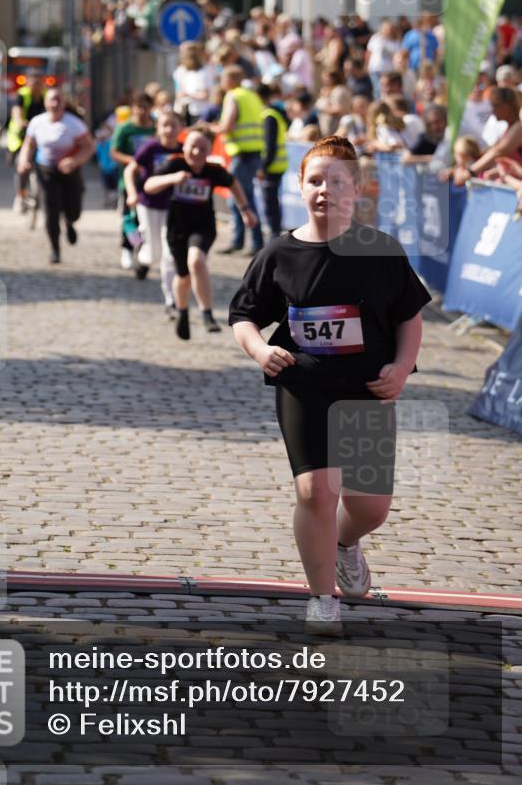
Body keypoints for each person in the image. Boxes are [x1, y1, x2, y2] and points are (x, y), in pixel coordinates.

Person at [228, 137, 431, 633]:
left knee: (370, 508)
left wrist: (402, 368)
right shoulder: (280, 252)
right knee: (316, 490)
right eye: (315, 181)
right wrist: (260, 349)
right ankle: (322, 598)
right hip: (304, 384)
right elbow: (244, 316)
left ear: (356, 189)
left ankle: (345, 544)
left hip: (367, 388)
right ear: (300, 186)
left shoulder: (380, 251)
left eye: (336, 181)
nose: (325, 190)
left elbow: (409, 317)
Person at [145, 125, 257, 340]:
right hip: (177, 228)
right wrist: (173, 179)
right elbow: (149, 185)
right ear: (184, 146)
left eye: (203, 149)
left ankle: (207, 314)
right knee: (183, 276)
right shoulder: (174, 164)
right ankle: (183, 312)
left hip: (203, 226)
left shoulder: (213, 170)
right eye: (193, 147)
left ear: (210, 151)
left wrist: (245, 210)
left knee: (196, 261)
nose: (197, 153)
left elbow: (234, 184)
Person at [17, 88, 95, 264]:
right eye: (51, 100)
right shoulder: (37, 122)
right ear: (45, 102)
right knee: (51, 210)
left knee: (73, 209)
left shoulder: (74, 124)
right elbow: (28, 145)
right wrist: (24, 161)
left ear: (64, 102)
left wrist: (74, 161)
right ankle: (55, 249)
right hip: (46, 170)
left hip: (70, 171)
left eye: (58, 99)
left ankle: (69, 221)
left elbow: (89, 147)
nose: (55, 103)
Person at [123, 110, 181, 310]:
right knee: (154, 253)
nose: (169, 130)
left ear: (181, 128)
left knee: (169, 254)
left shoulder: (183, 151)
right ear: (158, 128)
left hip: (173, 209)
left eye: (174, 125)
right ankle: (141, 252)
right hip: (148, 205)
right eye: (165, 125)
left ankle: (170, 298)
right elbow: (130, 170)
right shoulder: (150, 148)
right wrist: (132, 193)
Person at [214, 65, 265, 256]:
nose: (221, 84)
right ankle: (243, 241)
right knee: (244, 197)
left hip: (241, 154)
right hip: (254, 152)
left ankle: (250, 241)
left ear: (230, 80)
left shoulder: (233, 96)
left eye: (222, 79)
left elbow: (227, 126)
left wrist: (211, 129)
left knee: (241, 198)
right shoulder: (251, 95)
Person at [109, 91, 157, 269]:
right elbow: (114, 152)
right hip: (129, 181)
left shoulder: (155, 128)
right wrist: (134, 162)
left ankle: (145, 249)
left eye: (145, 107)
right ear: (132, 109)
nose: (141, 111)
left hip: (151, 181)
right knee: (129, 216)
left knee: (147, 218)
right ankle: (127, 248)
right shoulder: (125, 129)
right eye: (138, 107)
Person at [7, 72, 46, 211]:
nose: (37, 87)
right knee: (23, 166)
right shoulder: (21, 96)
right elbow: (16, 112)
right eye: (34, 83)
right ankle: (20, 195)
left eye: (39, 83)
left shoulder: (46, 96)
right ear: (28, 83)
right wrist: (20, 122)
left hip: (41, 136)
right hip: (21, 137)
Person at [256, 83, 289, 238]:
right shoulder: (273, 114)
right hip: (276, 165)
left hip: (273, 166)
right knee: (272, 202)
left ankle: (274, 235)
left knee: (270, 203)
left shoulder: (269, 116)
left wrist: (263, 167)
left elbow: (270, 145)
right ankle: (274, 234)